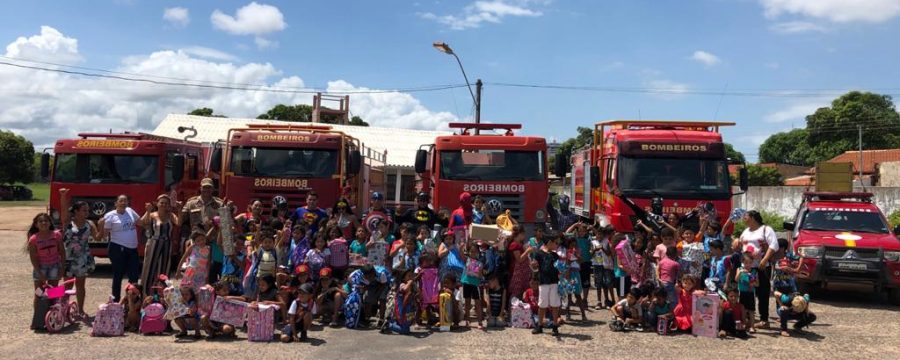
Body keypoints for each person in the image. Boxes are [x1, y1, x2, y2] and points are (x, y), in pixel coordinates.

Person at [58, 188, 96, 316]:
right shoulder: (68, 223)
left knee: (81, 285)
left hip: (82, 259)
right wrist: (63, 196)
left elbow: (98, 237)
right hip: (68, 258)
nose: (87, 212)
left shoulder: (90, 224)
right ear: (76, 211)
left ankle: (80, 310)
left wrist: (103, 226)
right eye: (84, 210)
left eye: (87, 210)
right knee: (67, 285)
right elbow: (63, 211)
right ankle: (62, 307)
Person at [738, 210, 779, 329]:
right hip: (747, 267)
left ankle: (764, 320)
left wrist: (765, 259)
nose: (743, 218)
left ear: (753, 217)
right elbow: (741, 243)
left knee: (762, 293)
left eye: (745, 216)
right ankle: (746, 318)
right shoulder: (746, 231)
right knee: (746, 292)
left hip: (761, 267)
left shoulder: (766, 229)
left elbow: (774, 245)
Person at [181, 178, 224, 284]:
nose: (206, 190)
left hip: (213, 242)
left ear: (213, 189)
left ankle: (209, 293)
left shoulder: (219, 204)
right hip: (197, 242)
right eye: (204, 187)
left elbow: (224, 221)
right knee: (194, 270)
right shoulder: (191, 203)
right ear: (200, 188)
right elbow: (182, 220)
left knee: (211, 270)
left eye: (209, 188)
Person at [98, 194, 140, 302]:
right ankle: (115, 301)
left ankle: (131, 300)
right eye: (121, 201)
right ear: (116, 203)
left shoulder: (130, 211)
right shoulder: (110, 215)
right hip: (117, 249)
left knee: (134, 276)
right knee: (118, 275)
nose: (123, 203)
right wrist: (100, 225)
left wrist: (149, 212)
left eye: (125, 201)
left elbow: (141, 222)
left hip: (132, 249)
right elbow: (104, 235)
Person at [139, 194, 182, 295]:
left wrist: (180, 210)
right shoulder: (152, 215)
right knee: (149, 268)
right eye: (161, 202)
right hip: (153, 243)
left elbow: (179, 223)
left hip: (167, 244)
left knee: (164, 268)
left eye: (166, 203)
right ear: (157, 204)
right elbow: (142, 222)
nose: (163, 205)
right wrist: (148, 211)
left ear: (168, 205)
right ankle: (145, 293)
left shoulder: (171, 215)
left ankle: (161, 294)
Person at [28, 212, 65, 325]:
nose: (44, 223)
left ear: (50, 223)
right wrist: (39, 273)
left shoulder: (56, 235)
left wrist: (61, 268)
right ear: (36, 224)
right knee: (39, 293)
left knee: (53, 292)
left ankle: (52, 318)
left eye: (46, 221)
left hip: (54, 266)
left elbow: (62, 252)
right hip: (40, 267)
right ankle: (38, 320)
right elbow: (33, 258)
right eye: (41, 221)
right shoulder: (33, 239)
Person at [532, 233, 561, 336]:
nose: (557, 245)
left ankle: (555, 325)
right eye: (556, 243)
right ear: (549, 243)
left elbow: (559, 268)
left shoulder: (555, 255)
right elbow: (535, 268)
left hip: (554, 282)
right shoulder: (538, 254)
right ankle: (539, 325)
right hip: (543, 282)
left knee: (555, 305)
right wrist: (534, 267)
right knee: (542, 304)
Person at [567, 221, 593, 314]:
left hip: (586, 262)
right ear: (577, 231)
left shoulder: (589, 238)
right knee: (573, 281)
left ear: (586, 232)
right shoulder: (575, 238)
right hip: (576, 263)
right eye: (580, 231)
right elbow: (566, 233)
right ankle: (571, 299)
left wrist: (592, 228)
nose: (581, 233)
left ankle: (584, 299)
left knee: (585, 282)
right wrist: (574, 225)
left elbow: (597, 236)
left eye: (583, 231)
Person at [461, 243, 486, 330]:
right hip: (466, 282)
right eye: (471, 251)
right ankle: (467, 320)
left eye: (475, 252)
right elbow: (461, 254)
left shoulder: (480, 263)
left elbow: (480, 275)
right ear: (468, 252)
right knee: (467, 303)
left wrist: (477, 272)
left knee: (478, 303)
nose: (473, 253)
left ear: (478, 252)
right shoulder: (467, 260)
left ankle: (480, 322)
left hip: (475, 284)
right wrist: (461, 246)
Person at [507, 225, 534, 300]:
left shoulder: (519, 244)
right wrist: (527, 251)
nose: (524, 236)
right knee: (515, 293)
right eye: (524, 234)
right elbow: (519, 259)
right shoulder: (514, 245)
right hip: (517, 273)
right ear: (520, 234)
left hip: (523, 273)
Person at [591, 225, 615, 309]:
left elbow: (609, 253)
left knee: (607, 283)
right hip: (597, 265)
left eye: (601, 234)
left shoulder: (606, 242)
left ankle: (607, 300)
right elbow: (590, 254)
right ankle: (599, 302)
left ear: (603, 235)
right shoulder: (593, 242)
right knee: (598, 283)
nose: (599, 236)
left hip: (606, 265)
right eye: (598, 234)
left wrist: (603, 249)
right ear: (596, 234)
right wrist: (594, 250)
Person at [735, 251, 759, 333]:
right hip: (742, 292)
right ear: (742, 262)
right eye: (746, 263)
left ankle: (752, 326)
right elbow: (736, 279)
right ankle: (744, 324)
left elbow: (757, 284)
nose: (748, 265)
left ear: (752, 262)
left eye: (750, 263)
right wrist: (741, 272)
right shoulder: (739, 269)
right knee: (743, 310)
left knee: (751, 310)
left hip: (751, 293)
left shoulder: (754, 271)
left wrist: (753, 283)